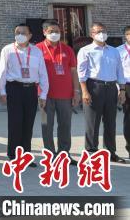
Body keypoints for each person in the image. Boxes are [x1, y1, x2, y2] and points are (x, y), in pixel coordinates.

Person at [0, 23, 48, 165]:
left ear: (30, 35)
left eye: (23, 33)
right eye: (17, 32)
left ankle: (26, 155)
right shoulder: (7, 50)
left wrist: (43, 94)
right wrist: (2, 90)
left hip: (31, 89)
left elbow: (43, 73)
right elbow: (2, 71)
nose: (19, 35)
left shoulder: (37, 51)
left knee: (28, 123)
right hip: (14, 88)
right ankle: (13, 154)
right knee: (15, 122)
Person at [77, 21, 125, 162]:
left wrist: (121, 89)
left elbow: (119, 71)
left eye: (103, 31)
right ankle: (92, 153)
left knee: (110, 122)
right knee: (92, 122)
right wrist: (84, 91)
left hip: (111, 88)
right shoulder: (85, 50)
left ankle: (111, 152)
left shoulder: (114, 51)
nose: (101, 34)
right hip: (94, 87)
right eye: (98, 31)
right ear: (92, 34)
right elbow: (81, 73)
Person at [36, 19, 80, 164]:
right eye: (51, 31)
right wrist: (39, 93)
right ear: (44, 32)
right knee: (46, 126)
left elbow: (74, 72)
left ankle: (64, 154)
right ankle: (50, 155)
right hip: (45, 95)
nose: (54, 34)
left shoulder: (67, 49)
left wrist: (76, 91)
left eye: (57, 31)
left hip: (65, 95)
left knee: (65, 125)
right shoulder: (37, 49)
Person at [119, 26, 130, 158]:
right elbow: (117, 72)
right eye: (128, 34)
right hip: (127, 86)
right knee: (128, 118)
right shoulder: (119, 51)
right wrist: (120, 89)